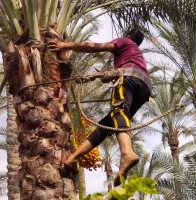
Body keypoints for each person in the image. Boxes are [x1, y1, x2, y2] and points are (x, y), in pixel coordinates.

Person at [48, 28, 152, 186]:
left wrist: (65, 45)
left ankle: (127, 152)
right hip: (145, 87)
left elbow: (93, 46)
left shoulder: (124, 42)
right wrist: (95, 76)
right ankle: (73, 158)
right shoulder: (134, 54)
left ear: (128, 36)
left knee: (119, 110)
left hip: (129, 77)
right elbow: (113, 74)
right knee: (108, 125)